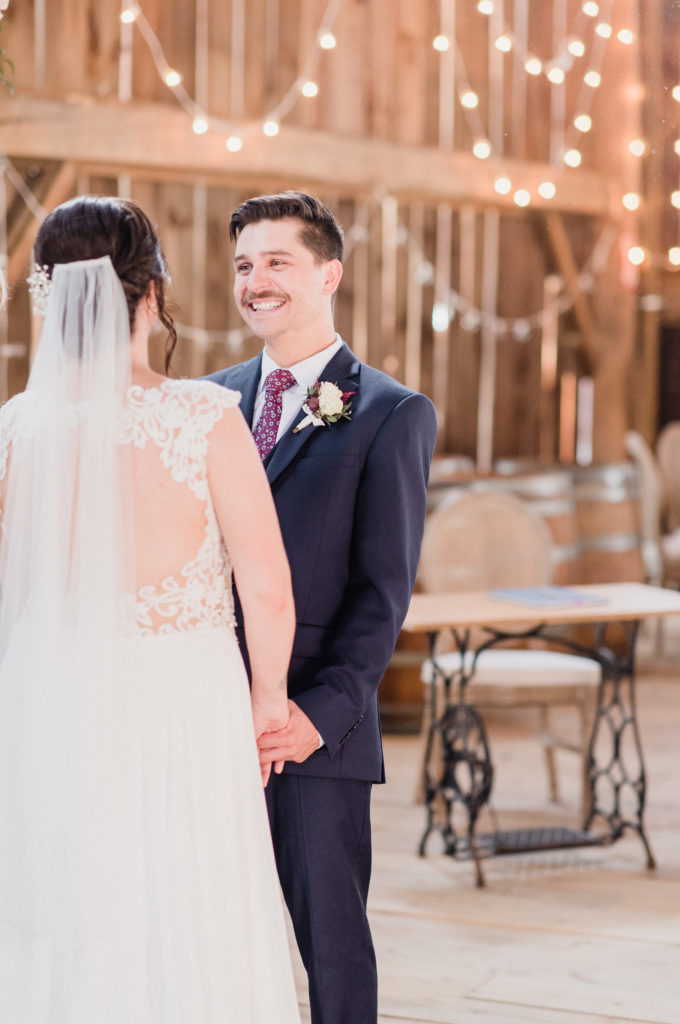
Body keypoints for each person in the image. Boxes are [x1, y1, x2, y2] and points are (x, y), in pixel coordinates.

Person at [0, 196, 301, 1023]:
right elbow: (267, 587)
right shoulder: (203, 417)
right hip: (183, 698)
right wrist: (268, 701)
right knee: (186, 885)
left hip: (53, 690)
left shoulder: (16, 428)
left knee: (70, 891)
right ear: (152, 293)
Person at [206, 191, 438, 1024]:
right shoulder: (204, 402)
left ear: (329, 274)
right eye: (243, 264)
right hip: (200, 712)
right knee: (211, 934)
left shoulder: (388, 413)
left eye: (278, 261)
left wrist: (316, 715)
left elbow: (383, 598)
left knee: (332, 949)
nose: (256, 281)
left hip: (314, 731)